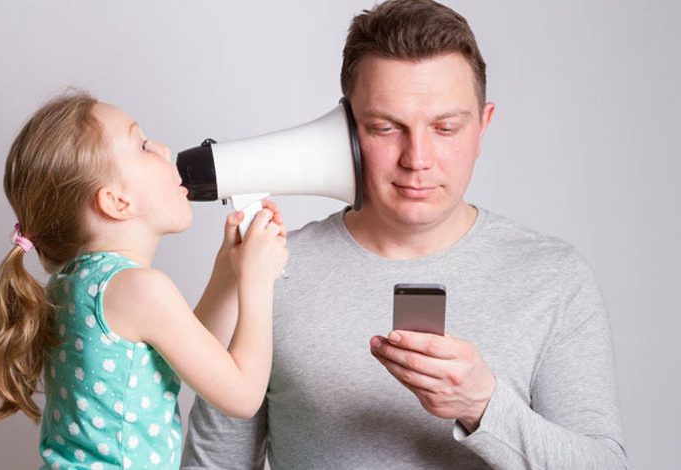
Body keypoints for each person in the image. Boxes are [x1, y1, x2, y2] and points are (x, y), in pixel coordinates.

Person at [181, 1, 628, 468]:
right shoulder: (265, 272)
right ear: (347, 130)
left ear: (483, 126)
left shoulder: (554, 278)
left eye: (445, 128)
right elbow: (214, 463)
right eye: (385, 128)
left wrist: (482, 405)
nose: (417, 159)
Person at [0, 91, 289, 469]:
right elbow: (242, 396)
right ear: (117, 202)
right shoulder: (141, 289)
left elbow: (183, 358)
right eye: (142, 145)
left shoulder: (71, 285)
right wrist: (258, 281)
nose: (163, 148)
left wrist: (228, 273)